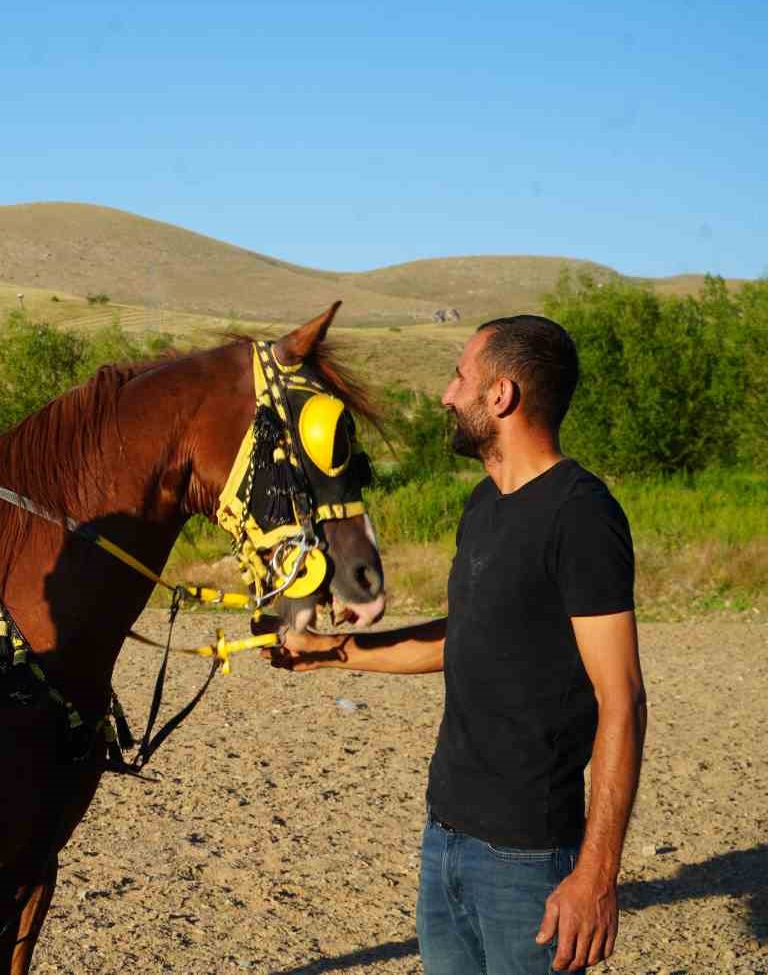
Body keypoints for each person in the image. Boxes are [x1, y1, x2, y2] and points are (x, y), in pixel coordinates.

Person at [266, 315, 647, 974]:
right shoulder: (483, 507)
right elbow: (461, 640)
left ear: (501, 396)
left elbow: (624, 699)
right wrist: (333, 652)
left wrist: (597, 875)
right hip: (445, 840)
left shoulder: (580, 514)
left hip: (528, 859)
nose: (446, 394)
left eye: (459, 377)